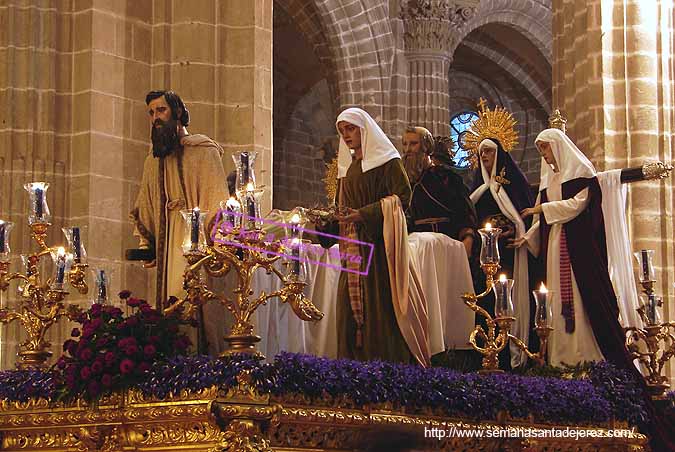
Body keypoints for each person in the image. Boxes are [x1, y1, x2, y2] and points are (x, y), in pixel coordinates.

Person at [316, 108, 428, 366]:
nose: (346, 135)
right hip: (353, 250)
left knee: (380, 310)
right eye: (342, 130)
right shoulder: (348, 170)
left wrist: (364, 214)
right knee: (349, 313)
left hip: (379, 249)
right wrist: (323, 223)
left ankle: (385, 374)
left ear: (364, 129)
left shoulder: (388, 161)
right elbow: (341, 209)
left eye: (351, 129)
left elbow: (401, 197)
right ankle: (352, 375)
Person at [512, 128, 615, 367]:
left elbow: (575, 206)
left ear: (558, 146)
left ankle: (585, 356)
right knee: (555, 299)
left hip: (577, 247)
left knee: (580, 297)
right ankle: (560, 358)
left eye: (545, 147)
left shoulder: (582, 172)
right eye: (540, 150)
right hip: (555, 244)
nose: (543, 154)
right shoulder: (550, 181)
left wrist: (541, 210)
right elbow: (540, 222)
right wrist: (528, 237)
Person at [130, 90, 229, 310]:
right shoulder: (153, 162)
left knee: (190, 299)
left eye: (161, 110)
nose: (155, 117)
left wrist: (219, 238)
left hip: (196, 241)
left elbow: (216, 198)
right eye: (151, 112)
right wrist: (146, 244)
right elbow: (145, 204)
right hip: (167, 242)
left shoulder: (203, 151)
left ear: (177, 112)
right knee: (168, 300)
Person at [470, 138, 539, 368]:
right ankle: (486, 352)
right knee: (486, 301)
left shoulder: (513, 182)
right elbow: (469, 219)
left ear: (499, 153)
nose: (485, 156)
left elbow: (525, 215)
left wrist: (514, 229)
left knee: (507, 300)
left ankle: (512, 354)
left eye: (489, 151)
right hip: (484, 254)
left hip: (509, 252)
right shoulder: (477, 187)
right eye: (481, 153)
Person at [403, 127, 477, 256]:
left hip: (446, 246)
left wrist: (468, 238)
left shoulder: (446, 177)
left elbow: (465, 211)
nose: (407, 149)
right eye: (404, 144)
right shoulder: (404, 182)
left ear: (427, 147)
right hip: (416, 249)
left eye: (413, 143)